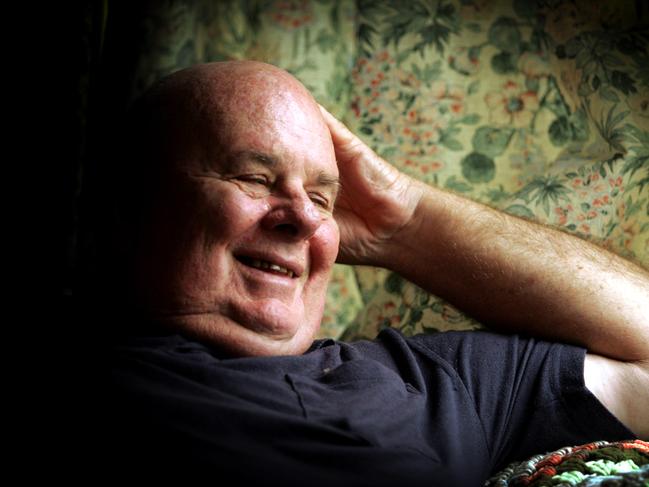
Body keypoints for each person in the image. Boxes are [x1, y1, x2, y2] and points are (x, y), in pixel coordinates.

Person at [93, 61, 648, 485]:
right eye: (256, 178)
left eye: (322, 197)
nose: (306, 219)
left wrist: (403, 218)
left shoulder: (424, 381)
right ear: (130, 206)